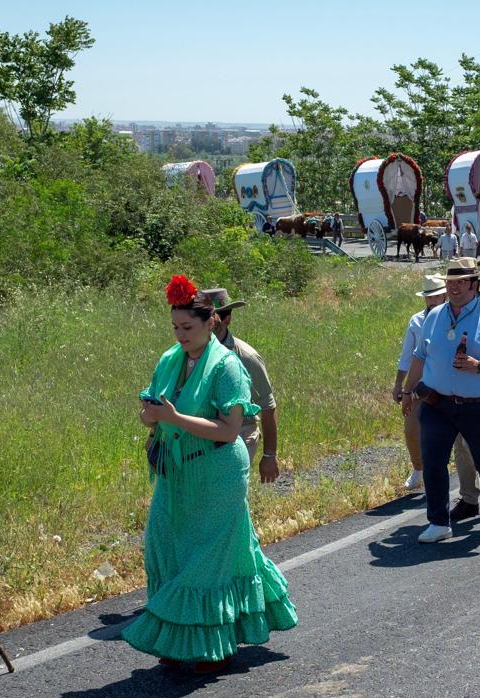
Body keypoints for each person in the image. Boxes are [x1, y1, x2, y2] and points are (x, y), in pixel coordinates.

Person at [123, 275, 297, 671]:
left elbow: (229, 429)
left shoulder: (228, 366)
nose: (180, 335)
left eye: (187, 327)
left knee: (207, 557)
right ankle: (178, 632)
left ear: (210, 323)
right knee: (163, 546)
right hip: (175, 468)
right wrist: (151, 417)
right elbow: (151, 416)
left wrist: (174, 418)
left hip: (219, 471)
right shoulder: (170, 359)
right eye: (175, 328)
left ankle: (208, 644)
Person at [401, 257, 480, 543]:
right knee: (432, 461)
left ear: (474, 284)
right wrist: (408, 391)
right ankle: (439, 522)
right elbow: (420, 356)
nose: (454, 288)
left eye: (461, 282)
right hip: (437, 402)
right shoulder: (435, 315)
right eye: (450, 283)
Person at [394, 275, 478, 500]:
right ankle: (419, 469)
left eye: (435, 297)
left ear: (444, 295)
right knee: (412, 428)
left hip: (455, 386)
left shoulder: (460, 316)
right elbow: (409, 357)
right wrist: (400, 386)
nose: (431, 301)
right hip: (423, 385)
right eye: (427, 297)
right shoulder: (417, 321)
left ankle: (471, 489)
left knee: (464, 442)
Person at [201, 288, 280, 484]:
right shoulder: (190, 352)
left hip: (240, 435)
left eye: (212, 316)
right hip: (203, 434)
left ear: (226, 319)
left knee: (228, 493)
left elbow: (268, 407)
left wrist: (269, 455)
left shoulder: (246, 357)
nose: (207, 322)